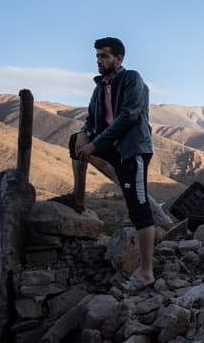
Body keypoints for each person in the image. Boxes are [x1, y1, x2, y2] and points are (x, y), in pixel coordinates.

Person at [51, 37, 155, 291]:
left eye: (104, 56)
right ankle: (79, 198)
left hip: (132, 151)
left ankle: (146, 272)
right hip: (109, 146)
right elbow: (91, 119)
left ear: (118, 59)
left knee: (138, 208)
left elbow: (128, 116)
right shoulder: (100, 88)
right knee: (75, 139)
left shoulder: (132, 80)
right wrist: (86, 133)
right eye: (97, 56)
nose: (99, 61)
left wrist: (96, 145)